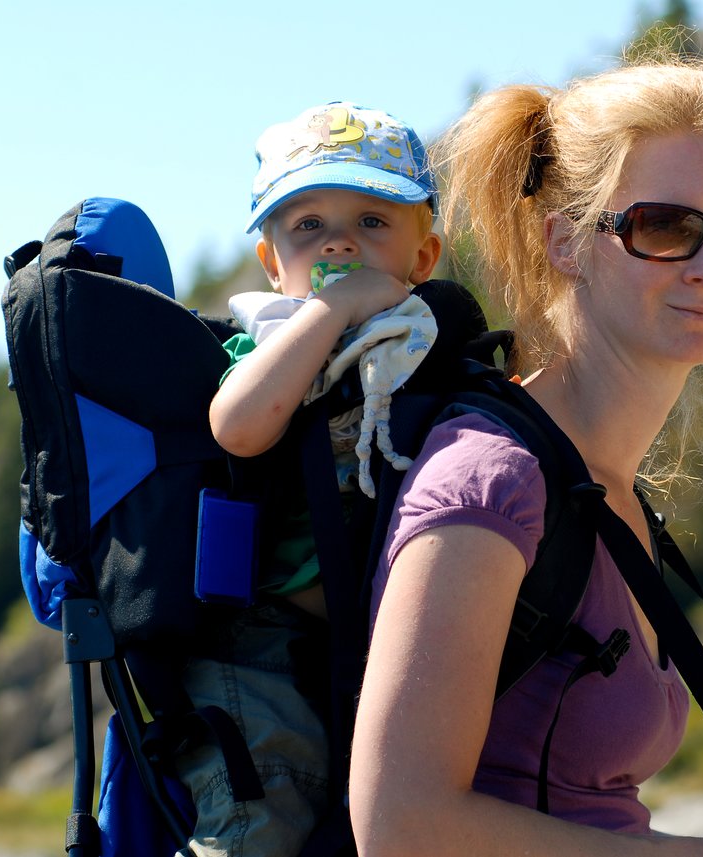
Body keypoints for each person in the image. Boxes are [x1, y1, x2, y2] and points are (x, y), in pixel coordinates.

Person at [349, 56, 703, 857]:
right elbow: (399, 825)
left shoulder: (604, 492)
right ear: (567, 241)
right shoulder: (491, 481)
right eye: (664, 226)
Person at [177, 102, 442, 857]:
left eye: (372, 222)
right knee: (264, 815)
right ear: (272, 264)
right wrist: (328, 311)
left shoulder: (427, 347)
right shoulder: (272, 341)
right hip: (260, 645)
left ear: (423, 259)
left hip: (374, 648)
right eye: (307, 226)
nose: (339, 240)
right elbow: (239, 424)